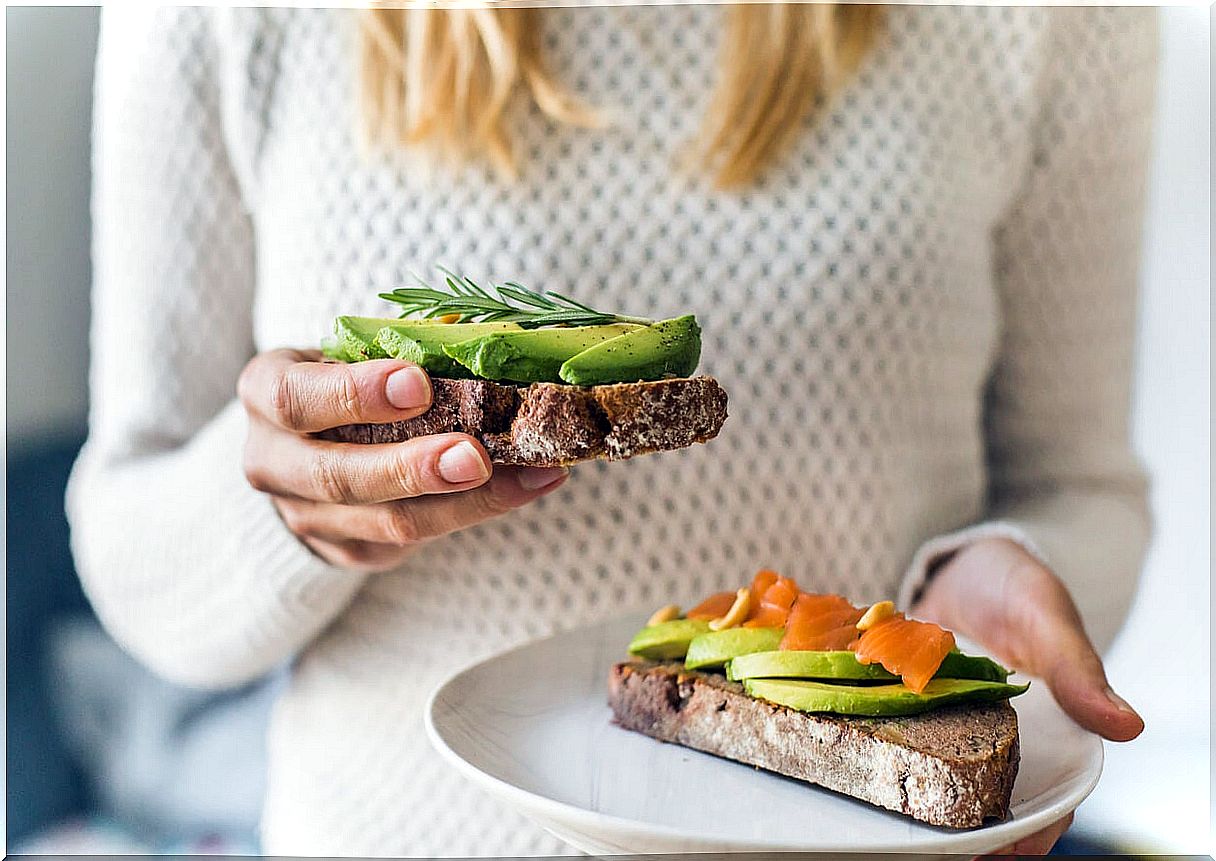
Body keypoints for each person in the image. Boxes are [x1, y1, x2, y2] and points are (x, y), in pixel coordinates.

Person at [68, 4, 1156, 856]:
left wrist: (995, 572)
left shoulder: (1048, 15)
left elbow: (1080, 483)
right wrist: (285, 511)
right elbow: (137, 566)